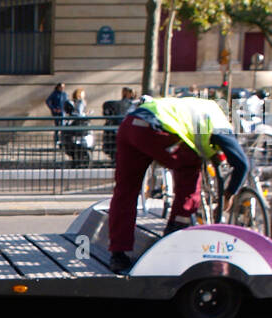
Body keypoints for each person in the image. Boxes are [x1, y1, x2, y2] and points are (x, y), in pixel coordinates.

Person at [106, 94, 250, 273]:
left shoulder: (199, 106)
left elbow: (189, 131)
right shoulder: (220, 123)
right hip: (155, 130)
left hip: (130, 125)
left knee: (125, 191)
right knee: (190, 169)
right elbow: (242, 164)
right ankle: (174, 235)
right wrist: (229, 195)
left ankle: (118, 255)